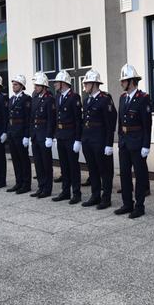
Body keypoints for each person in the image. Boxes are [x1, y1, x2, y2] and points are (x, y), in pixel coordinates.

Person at [114, 64, 152, 218]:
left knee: (140, 175)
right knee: (124, 174)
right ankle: (127, 203)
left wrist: (146, 145)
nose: (121, 83)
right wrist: (120, 139)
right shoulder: (123, 98)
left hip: (137, 142)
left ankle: (139, 206)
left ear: (131, 81)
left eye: (124, 80)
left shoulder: (143, 98)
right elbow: (120, 122)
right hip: (124, 142)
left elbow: (147, 124)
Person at [80, 69, 117, 209]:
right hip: (88, 140)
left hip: (100, 140)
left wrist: (109, 143)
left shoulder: (105, 99)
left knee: (105, 170)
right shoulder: (86, 100)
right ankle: (95, 195)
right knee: (92, 169)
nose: (84, 86)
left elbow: (110, 123)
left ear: (94, 84)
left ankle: (106, 198)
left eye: (86, 83)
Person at [51, 70, 83, 205]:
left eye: (56, 82)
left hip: (71, 136)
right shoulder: (58, 97)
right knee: (64, 165)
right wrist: (55, 134)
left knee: (73, 166)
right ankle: (65, 191)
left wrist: (78, 139)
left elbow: (78, 120)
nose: (54, 84)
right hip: (61, 135)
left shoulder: (74, 97)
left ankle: (76, 193)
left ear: (63, 83)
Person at [29, 72, 56, 198]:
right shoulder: (35, 98)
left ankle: (47, 189)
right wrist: (31, 134)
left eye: (38, 85)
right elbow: (32, 118)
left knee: (46, 164)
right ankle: (41, 186)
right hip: (35, 135)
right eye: (35, 85)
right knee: (38, 163)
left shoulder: (49, 99)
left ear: (44, 86)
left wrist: (49, 136)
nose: (35, 87)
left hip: (44, 135)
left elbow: (51, 119)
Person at [6, 74, 33, 194]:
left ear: (21, 86)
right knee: (15, 159)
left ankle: (26, 184)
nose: (13, 86)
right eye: (13, 84)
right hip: (12, 133)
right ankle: (18, 182)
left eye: (16, 84)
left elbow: (28, 119)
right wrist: (8, 132)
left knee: (23, 159)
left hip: (21, 133)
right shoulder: (11, 99)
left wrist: (27, 135)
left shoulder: (26, 99)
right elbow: (9, 118)